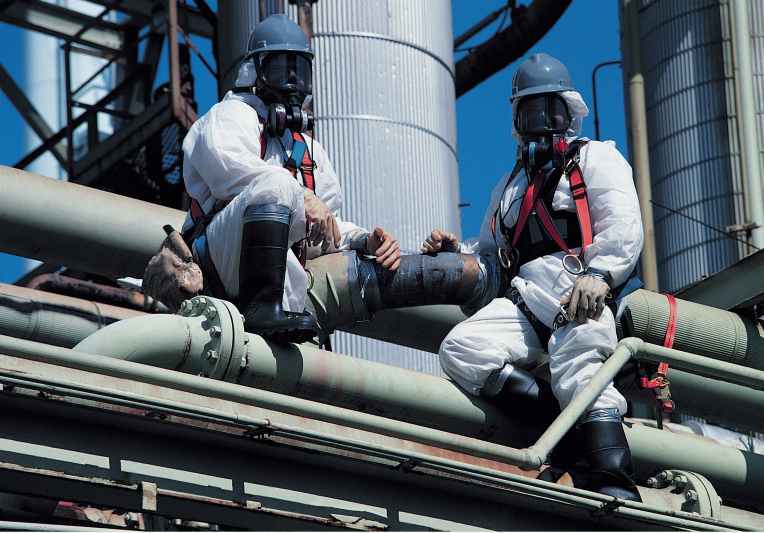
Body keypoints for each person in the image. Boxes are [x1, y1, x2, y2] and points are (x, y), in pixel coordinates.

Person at [422, 54, 644, 501]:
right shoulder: (509, 186)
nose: (542, 122)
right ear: (517, 119)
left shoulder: (596, 159)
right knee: (461, 350)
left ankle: (615, 483)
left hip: (582, 298)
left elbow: (625, 226)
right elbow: (490, 252)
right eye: (531, 111)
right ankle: (568, 435)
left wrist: (600, 275)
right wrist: (454, 255)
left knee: (582, 370)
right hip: (527, 302)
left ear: (569, 111)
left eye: (551, 110)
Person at [180, 14, 401, 343]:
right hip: (219, 263)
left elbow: (326, 228)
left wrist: (364, 241)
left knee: (284, 189)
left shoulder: (309, 151)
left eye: (300, 72)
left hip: (287, 284)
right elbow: (231, 176)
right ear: (257, 72)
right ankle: (260, 311)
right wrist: (303, 197)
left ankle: (278, 313)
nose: (292, 83)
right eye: (282, 70)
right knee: (278, 184)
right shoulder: (230, 117)